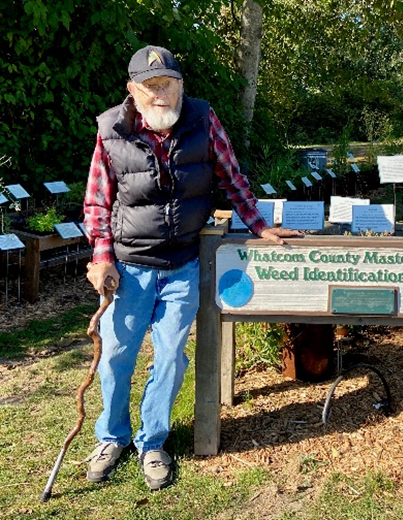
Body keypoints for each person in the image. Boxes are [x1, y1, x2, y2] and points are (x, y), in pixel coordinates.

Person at [82, 45, 300, 490]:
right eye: (151, 86)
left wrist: (259, 226)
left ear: (181, 86)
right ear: (133, 90)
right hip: (128, 266)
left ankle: (153, 441)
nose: (161, 95)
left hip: (183, 263)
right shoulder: (111, 130)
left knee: (170, 359)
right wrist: (102, 256)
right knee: (117, 357)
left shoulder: (203, 119)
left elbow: (231, 176)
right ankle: (112, 436)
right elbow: (97, 201)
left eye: (169, 85)